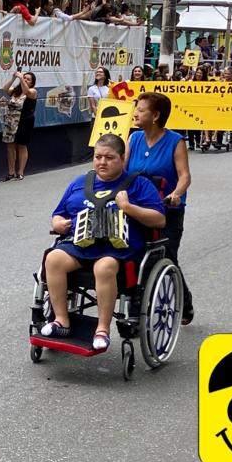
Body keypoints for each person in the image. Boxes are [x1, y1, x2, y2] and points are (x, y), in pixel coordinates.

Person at [42, 134, 166, 351]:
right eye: (98, 157)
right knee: (53, 259)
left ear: (122, 159)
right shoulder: (80, 183)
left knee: (104, 266)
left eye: (109, 158)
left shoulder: (139, 184)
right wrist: (59, 223)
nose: (102, 162)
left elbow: (159, 220)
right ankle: (61, 320)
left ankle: (102, 329)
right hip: (80, 243)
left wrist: (128, 208)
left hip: (117, 248)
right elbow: (59, 213)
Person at [127, 92, 194, 324]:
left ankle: (184, 303)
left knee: (165, 255)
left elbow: (185, 176)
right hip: (138, 208)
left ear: (155, 116)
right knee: (134, 255)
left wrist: (176, 194)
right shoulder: (134, 139)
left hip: (168, 210)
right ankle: (135, 308)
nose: (135, 113)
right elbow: (123, 171)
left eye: (141, 109)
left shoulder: (175, 141)